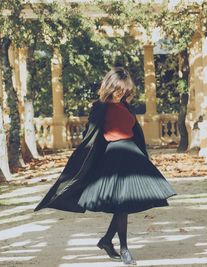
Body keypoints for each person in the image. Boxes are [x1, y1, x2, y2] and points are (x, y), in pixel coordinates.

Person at [34, 67, 176, 265]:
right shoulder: (101, 107)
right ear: (111, 87)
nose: (123, 93)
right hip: (113, 157)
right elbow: (90, 137)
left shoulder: (127, 107)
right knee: (122, 204)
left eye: (126, 90)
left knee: (124, 204)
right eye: (120, 89)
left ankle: (108, 240)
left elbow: (135, 132)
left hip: (132, 157)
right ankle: (123, 248)